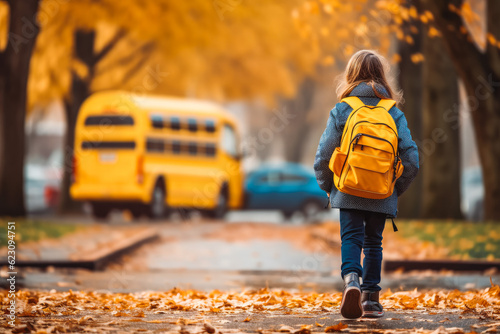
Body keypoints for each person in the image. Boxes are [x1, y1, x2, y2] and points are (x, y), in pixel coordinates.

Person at [313, 50, 419, 319]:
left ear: (351, 75)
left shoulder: (343, 109)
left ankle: (351, 282)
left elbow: (324, 154)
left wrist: (329, 186)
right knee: (374, 242)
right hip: (382, 189)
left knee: (351, 238)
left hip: (348, 187)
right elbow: (412, 160)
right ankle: (371, 300)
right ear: (382, 76)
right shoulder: (393, 112)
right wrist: (393, 188)